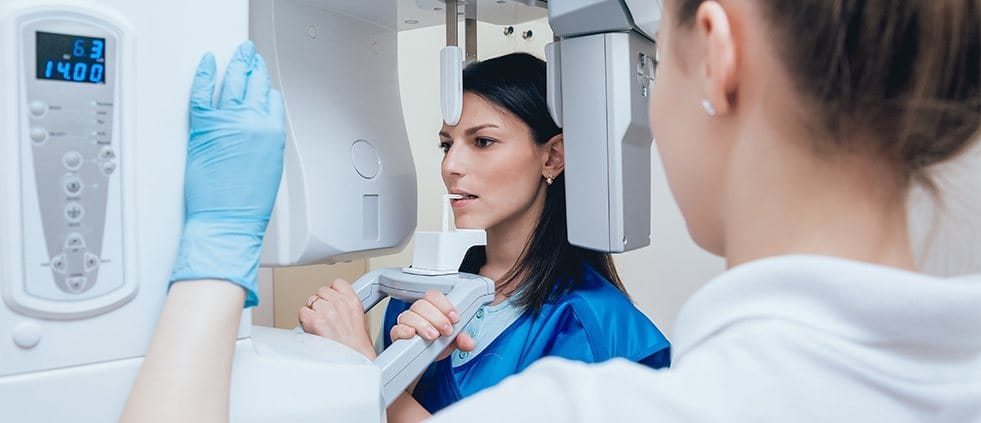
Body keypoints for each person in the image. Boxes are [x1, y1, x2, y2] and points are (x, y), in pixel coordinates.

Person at [125, 0, 981, 420]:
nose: (454, 164)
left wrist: (214, 261)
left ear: (715, 52)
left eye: (657, 68)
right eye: (445, 141)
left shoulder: (604, 381)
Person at [296, 53, 670, 422]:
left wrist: (365, 370)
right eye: (447, 144)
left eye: (483, 142)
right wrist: (406, 372)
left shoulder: (593, 324)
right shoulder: (419, 297)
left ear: (552, 157)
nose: (450, 166)